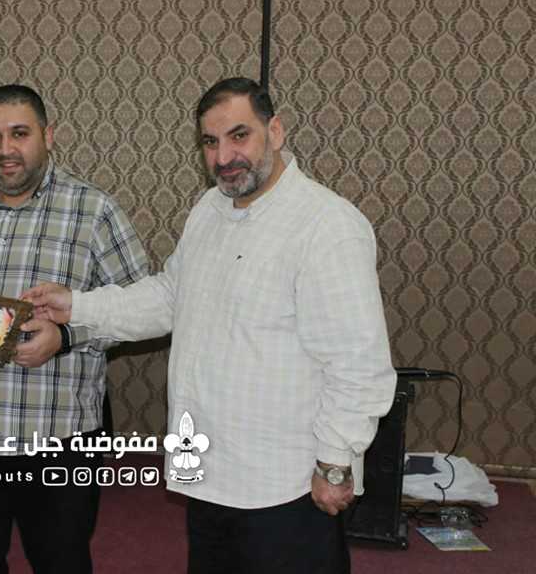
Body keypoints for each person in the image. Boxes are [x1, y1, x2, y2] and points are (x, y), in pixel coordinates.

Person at [24, 77, 398, 574]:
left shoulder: (327, 225)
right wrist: (77, 305)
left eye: (239, 136)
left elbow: (358, 362)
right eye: (210, 142)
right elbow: (168, 298)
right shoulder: (208, 210)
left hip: (284, 486)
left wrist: (335, 461)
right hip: (208, 472)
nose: (223, 157)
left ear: (276, 131)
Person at [0, 84, 149, 573]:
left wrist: (67, 337)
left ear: (48, 135)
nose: (6, 149)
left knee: (61, 562)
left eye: (19, 134)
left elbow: (140, 307)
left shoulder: (94, 212)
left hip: (56, 438)